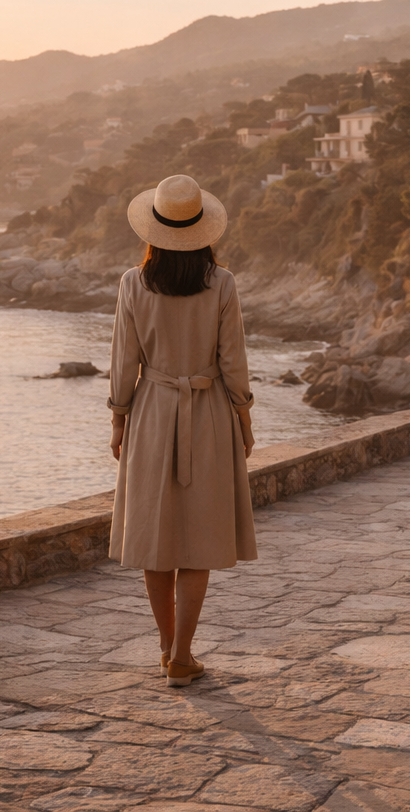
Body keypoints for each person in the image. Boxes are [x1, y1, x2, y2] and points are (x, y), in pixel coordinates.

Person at [107, 174, 257, 687]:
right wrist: (243, 414)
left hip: (150, 411)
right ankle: (183, 655)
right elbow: (233, 361)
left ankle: (167, 647)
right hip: (208, 412)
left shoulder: (132, 283)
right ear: (203, 230)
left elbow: (124, 363)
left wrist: (118, 418)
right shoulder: (223, 284)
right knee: (200, 537)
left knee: (156, 538)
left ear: (153, 231)